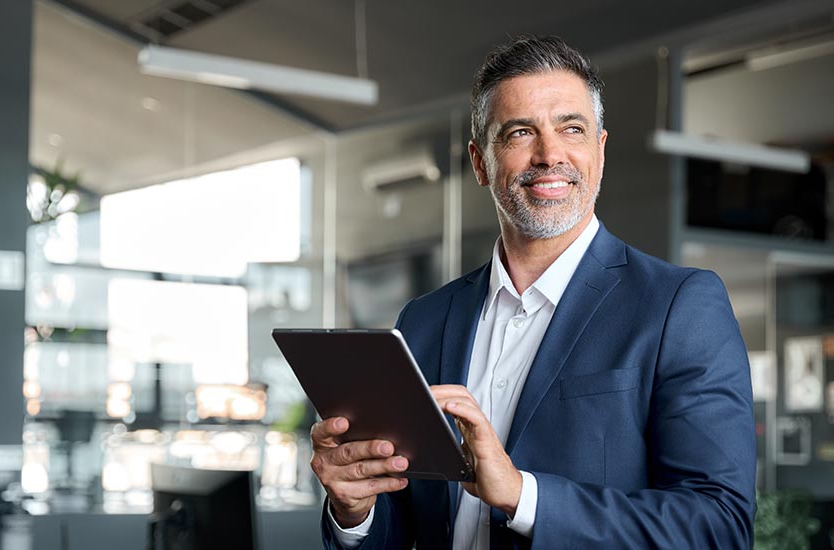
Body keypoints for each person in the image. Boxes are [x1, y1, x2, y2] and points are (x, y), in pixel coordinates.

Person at [310, 35, 756, 549]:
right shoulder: (424, 320)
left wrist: (524, 497)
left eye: (572, 128)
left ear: (599, 151)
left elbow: (719, 526)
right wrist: (355, 509)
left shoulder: (679, 305)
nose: (550, 154)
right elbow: (403, 522)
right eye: (521, 132)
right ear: (481, 163)